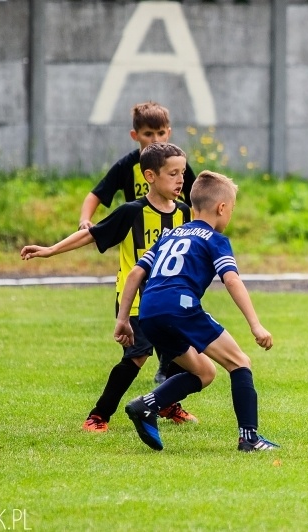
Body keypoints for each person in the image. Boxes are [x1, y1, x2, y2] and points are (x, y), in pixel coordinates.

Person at [21, 142, 199, 432]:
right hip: (137, 300)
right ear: (150, 177)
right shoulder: (131, 212)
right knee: (138, 355)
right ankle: (98, 416)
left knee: (185, 352)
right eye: (173, 173)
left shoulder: (184, 213)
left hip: (171, 300)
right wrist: (50, 250)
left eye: (182, 173)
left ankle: (167, 404)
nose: (181, 179)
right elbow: (92, 235)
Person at [114, 170, 279, 452]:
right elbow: (231, 279)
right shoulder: (214, 239)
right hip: (181, 308)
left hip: (150, 311)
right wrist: (256, 325)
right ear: (222, 208)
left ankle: (146, 405)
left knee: (204, 372)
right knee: (239, 362)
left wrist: (123, 321)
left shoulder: (169, 236)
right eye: (233, 210)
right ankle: (249, 438)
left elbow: (135, 275)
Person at [79, 101, 196, 385]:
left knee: (177, 324)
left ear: (168, 133)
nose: (154, 140)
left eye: (160, 133)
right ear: (135, 136)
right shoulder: (127, 167)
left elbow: (196, 197)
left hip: (168, 244)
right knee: (140, 339)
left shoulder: (177, 167)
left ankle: (167, 373)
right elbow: (97, 193)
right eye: (147, 134)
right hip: (137, 236)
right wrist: (86, 219)